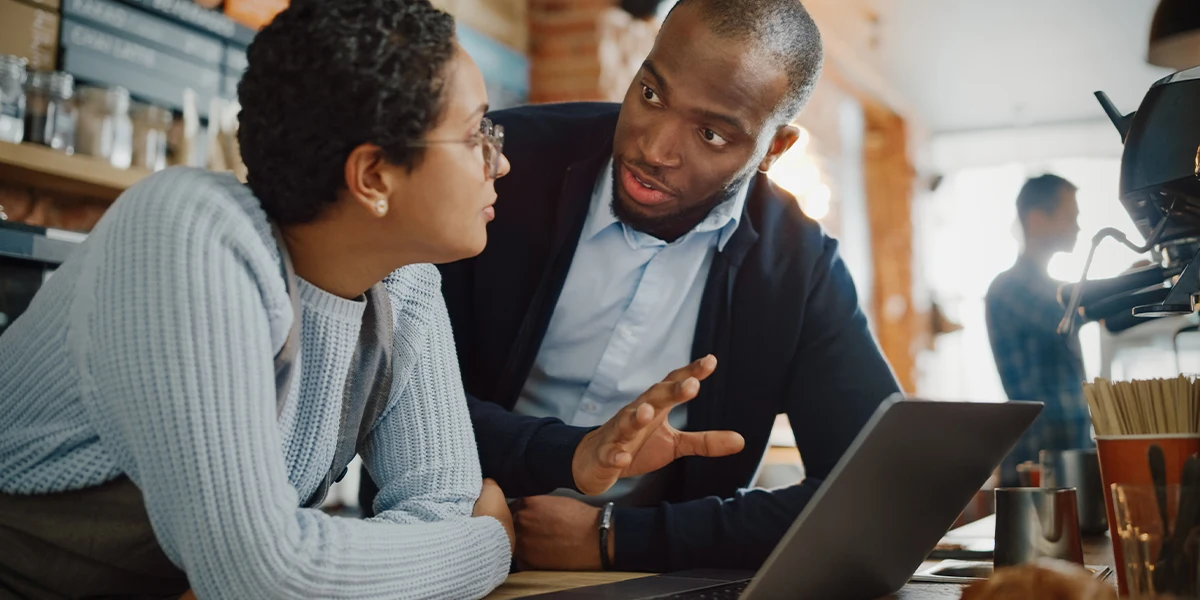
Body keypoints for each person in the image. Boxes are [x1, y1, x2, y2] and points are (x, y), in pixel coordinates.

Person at [0, 1, 736, 597]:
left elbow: (428, 507)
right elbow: (262, 574)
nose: (501, 159)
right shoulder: (189, 236)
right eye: (476, 132)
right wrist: (490, 541)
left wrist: (370, 552)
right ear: (374, 178)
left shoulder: (404, 284)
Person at [436, 0, 902, 573]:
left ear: (773, 150)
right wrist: (569, 455)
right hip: (440, 551)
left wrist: (618, 536)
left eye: (710, 133)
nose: (653, 150)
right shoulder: (506, 168)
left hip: (646, 581)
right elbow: (398, 396)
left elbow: (878, 494)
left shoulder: (799, 268)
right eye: (651, 95)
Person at [986, 174, 1092, 487]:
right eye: (1069, 216)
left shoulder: (1051, 287)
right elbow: (1064, 316)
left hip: (1068, 453)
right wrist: (1125, 287)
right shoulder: (1008, 286)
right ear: (1036, 219)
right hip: (1036, 462)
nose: (1077, 226)